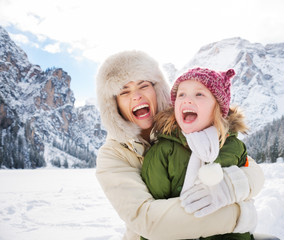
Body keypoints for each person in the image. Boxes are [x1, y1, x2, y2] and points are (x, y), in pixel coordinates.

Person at [95, 50, 265, 240]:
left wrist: (233, 185)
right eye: (124, 92)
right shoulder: (112, 155)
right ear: (114, 104)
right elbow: (147, 220)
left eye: (143, 85)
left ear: (157, 90)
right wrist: (239, 215)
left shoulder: (189, 128)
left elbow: (250, 167)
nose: (136, 97)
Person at [141, 67, 257, 240]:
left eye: (199, 94)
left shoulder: (233, 147)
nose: (187, 100)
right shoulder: (163, 152)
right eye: (181, 95)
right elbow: (155, 221)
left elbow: (247, 192)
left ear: (217, 108)